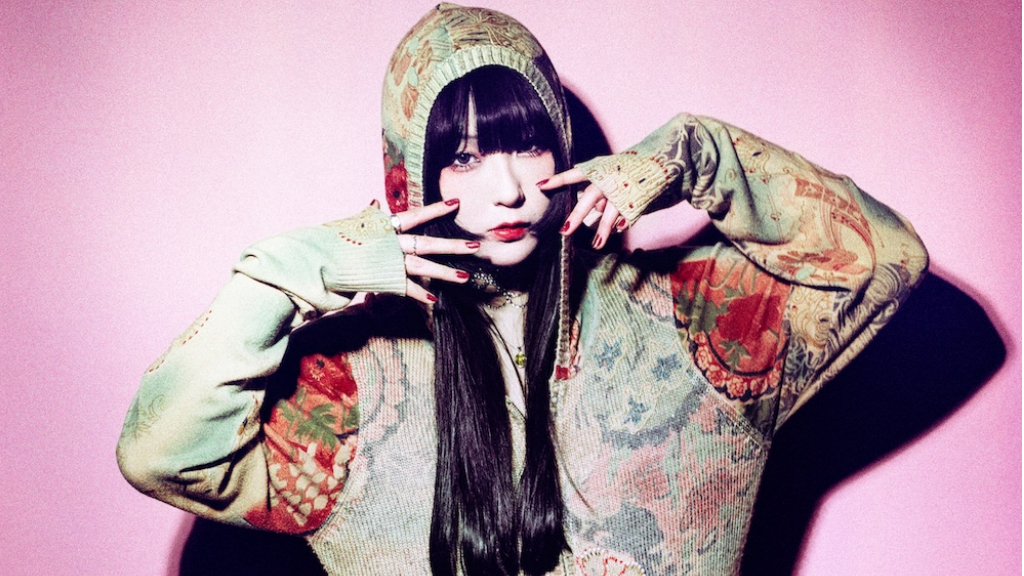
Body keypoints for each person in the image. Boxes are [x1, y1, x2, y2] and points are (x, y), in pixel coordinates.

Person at [116, 4, 928, 576]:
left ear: (563, 149)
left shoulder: (690, 317)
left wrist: (697, 158)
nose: (507, 190)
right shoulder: (351, 385)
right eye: (464, 158)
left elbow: (886, 257)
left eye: (528, 146)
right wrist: (296, 268)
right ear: (409, 177)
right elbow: (162, 453)